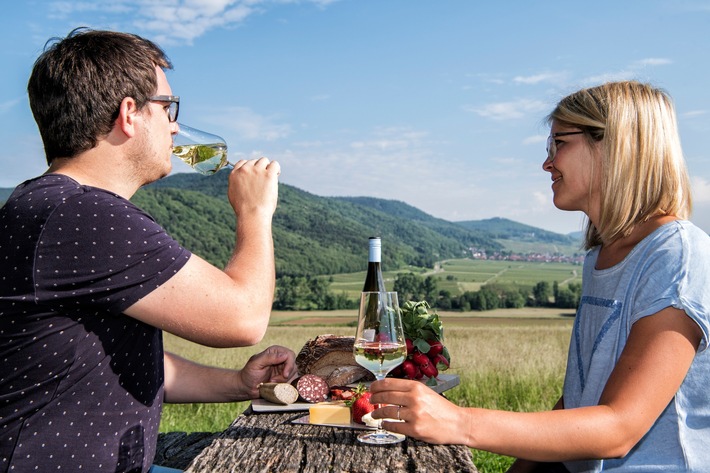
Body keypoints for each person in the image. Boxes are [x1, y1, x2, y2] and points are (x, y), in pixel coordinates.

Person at [369, 81, 710, 472]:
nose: (547, 163)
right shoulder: (602, 257)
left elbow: (619, 428)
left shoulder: (676, 254)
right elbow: (579, 403)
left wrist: (457, 421)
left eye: (559, 144)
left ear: (614, 145)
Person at [0, 28, 295, 473]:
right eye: (167, 107)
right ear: (130, 113)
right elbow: (244, 318)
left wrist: (238, 382)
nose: (175, 125)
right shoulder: (85, 215)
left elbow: (117, 361)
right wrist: (254, 212)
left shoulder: (49, 206)